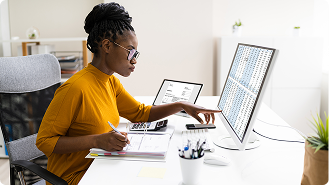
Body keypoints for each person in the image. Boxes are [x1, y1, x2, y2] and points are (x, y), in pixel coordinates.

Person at [36, 2, 221, 185]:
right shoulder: (74, 88)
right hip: (75, 177)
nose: (134, 61)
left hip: (100, 165)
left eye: (136, 54)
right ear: (107, 46)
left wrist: (181, 105)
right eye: (131, 52)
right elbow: (44, 141)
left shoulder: (110, 82)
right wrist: (97, 141)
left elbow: (141, 114)